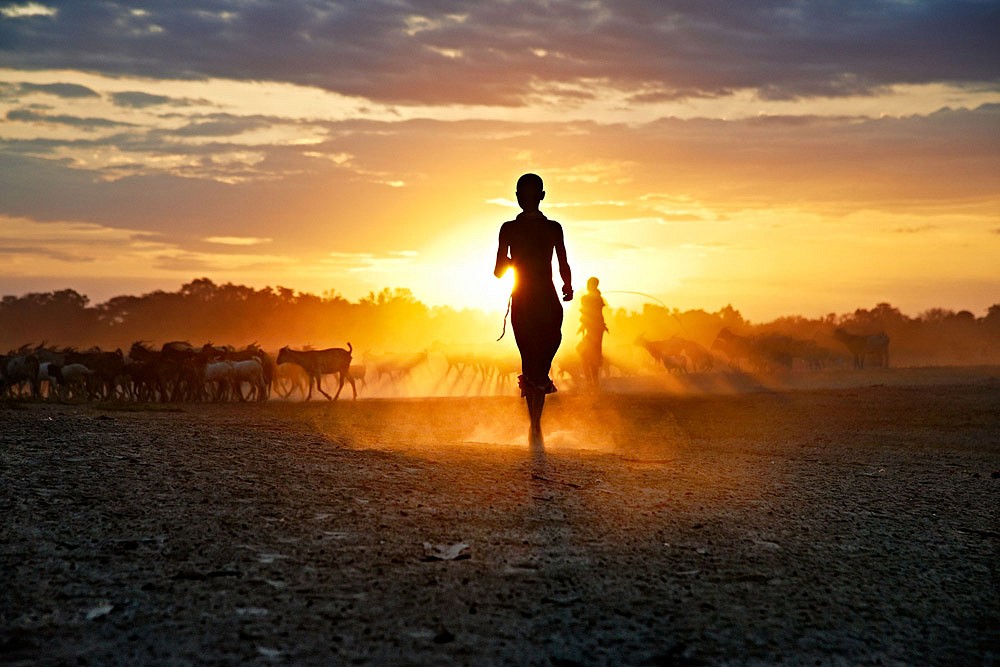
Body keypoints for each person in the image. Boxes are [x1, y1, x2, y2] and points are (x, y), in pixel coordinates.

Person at [494, 173, 572, 444]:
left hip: (525, 300)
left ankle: (535, 424)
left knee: (532, 362)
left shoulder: (509, 229)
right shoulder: (553, 228)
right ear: (542, 195)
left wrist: (513, 260)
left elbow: (497, 272)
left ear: (519, 197)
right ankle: (536, 425)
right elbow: (563, 264)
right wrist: (568, 287)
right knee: (538, 363)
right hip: (546, 299)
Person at [577, 276, 608, 388]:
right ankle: (593, 382)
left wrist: (584, 324)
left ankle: (591, 382)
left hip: (593, 330)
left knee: (587, 354)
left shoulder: (590, 298)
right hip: (596, 330)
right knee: (589, 354)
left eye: (590, 284)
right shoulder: (597, 298)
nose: (588, 285)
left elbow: (589, 314)